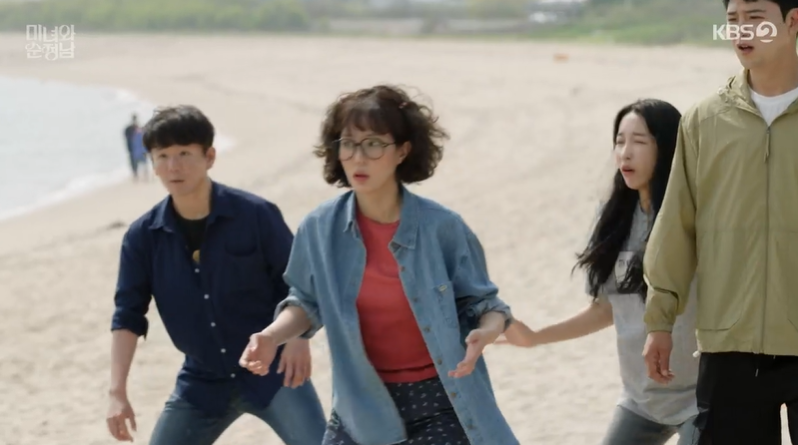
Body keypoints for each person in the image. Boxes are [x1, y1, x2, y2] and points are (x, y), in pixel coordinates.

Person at [238, 85, 519, 445]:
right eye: (348, 143)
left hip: (442, 401)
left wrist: (487, 332)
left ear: (403, 150)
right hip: (360, 402)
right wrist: (271, 336)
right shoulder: (319, 228)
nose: (358, 157)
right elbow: (307, 302)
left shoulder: (443, 227)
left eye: (373, 144)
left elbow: (486, 305)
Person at [106, 105, 326, 445]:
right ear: (152, 162)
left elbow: (300, 286)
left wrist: (299, 339)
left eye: (184, 153)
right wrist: (117, 392)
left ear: (209, 156)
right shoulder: (142, 237)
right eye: (162, 156)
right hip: (201, 381)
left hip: (272, 369)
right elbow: (128, 314)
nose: (173, 166)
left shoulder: (256, 215)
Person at [495, 99, 699, 445]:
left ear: (667, 147)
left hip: (700, 396)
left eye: (639, 141)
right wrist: (535, 336)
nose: (625, 153)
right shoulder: (615, 219)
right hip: (640, 398)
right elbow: (606, 308)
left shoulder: (695, 218)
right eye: (619, 141)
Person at [641, 0, 798, 443]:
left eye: (755, 18)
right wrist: (659, 320)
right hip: (729, 346)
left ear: (792, 22)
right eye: (732, 20)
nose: (741, 30)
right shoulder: (704, 121)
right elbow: (676, 225)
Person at [123, 113, 140, 179]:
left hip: (133, 148)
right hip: (132, 148)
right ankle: (135, 174)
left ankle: (136, 174)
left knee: (134, 161)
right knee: (134, 162)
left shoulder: (136, 127)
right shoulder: (131, 128)